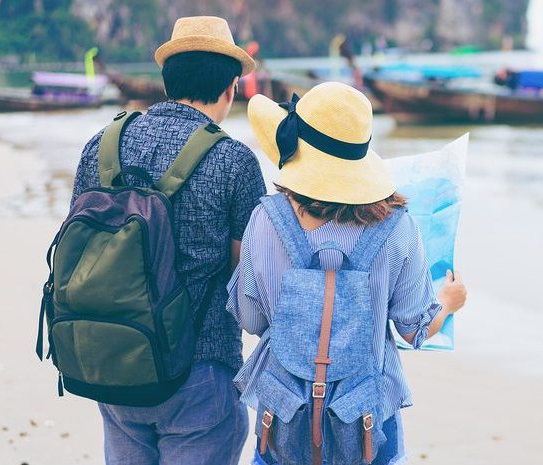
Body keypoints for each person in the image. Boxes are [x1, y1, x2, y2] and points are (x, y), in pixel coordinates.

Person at [228, 82, 467, 465]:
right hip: (369, 423)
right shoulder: (397, 228)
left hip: (283, 417)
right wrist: (449, 302)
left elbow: (251, 319)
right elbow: (413, 330)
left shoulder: (265, 220)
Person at [68, 16, 266, 465]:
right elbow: (247, 277)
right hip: (198, 371)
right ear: (231, 87)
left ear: (167, 79)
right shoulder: (234, 161)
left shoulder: (102, 145)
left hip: (114, 363)